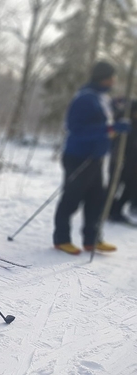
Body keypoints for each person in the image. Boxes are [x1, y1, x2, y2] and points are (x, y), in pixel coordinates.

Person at [53, 61, 130, 255]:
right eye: (111, 77)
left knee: (96, 200)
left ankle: (92, 239)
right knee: (71, 199)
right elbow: (75, 129)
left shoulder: (102, 97)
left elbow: (104, 119)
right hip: (79, 157)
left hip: (96, 158)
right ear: (102, 77)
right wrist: (110, 129)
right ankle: (61, 239)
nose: (114, 81)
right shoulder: (85, 98)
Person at [109, 99, 137, 223]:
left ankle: (117, 209)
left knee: (131, 186)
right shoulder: (126, 108)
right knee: (114, 184)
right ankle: (109, 210)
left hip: (133, 158)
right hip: (120, 155)